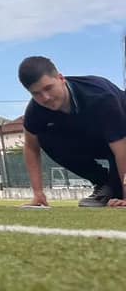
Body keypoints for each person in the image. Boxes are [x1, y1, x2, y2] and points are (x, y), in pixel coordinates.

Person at [18, 56, 126, 208]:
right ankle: (104, 184)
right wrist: (38, 193)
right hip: (99, 140)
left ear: (61, 78)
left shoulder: (101, 96)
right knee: (44, 137)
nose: (45, 98)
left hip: (121, 140)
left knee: (119, 193)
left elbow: (122, 150)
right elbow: (30, 147)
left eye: (48, 88)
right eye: (36, 93)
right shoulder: (36, 111)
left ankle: (115, 189)